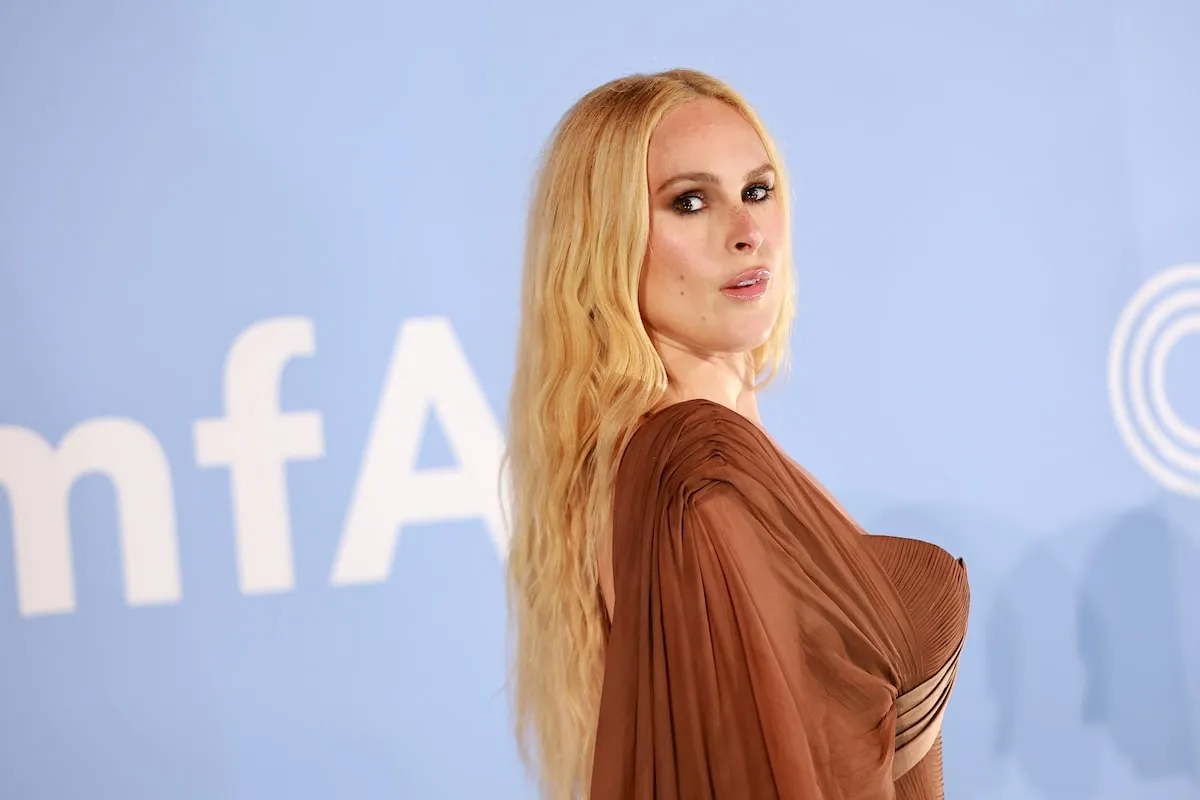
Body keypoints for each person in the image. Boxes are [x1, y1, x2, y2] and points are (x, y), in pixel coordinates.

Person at [504, 67, 970, 800]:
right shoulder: (694, 471)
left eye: (758, 190)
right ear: (606, 241)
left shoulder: (705, 459)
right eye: (690, 202)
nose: (747, 233)